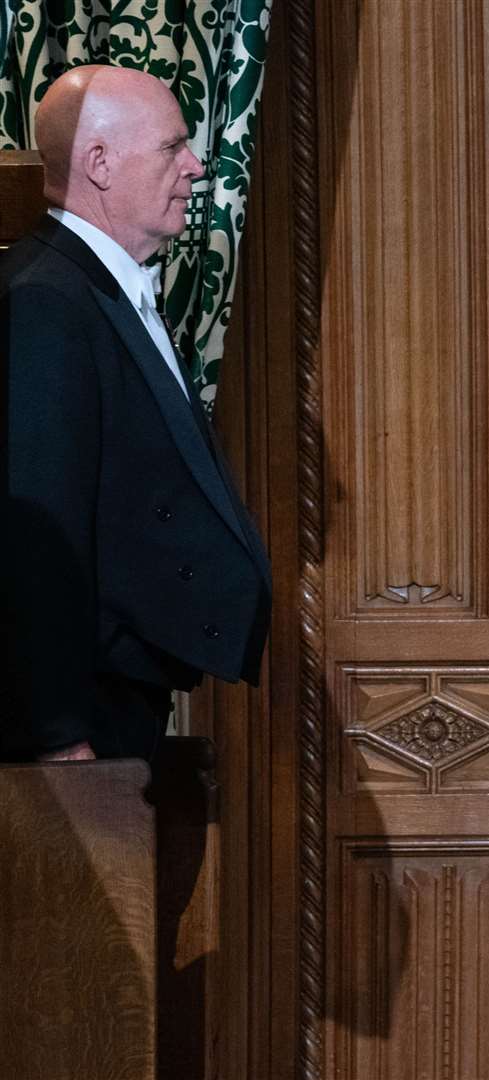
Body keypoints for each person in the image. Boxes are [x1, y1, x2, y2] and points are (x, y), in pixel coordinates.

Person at [2, 65, 270, 762]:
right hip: (83, 711)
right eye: (172, 147)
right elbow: (37, 534)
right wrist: (59, 734)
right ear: (99, 163)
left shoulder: (97, 287)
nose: (196, 166)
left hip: (122, 692)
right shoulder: (47, 304)